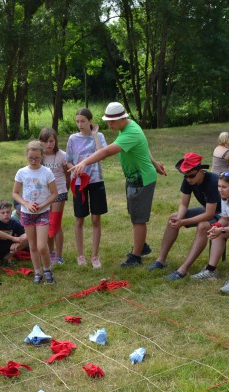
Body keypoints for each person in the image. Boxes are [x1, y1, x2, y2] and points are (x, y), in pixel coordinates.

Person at [69, 102, 166, 267]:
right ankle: (141, 246)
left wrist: (84, 162)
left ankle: (136, 256)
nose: (109, 124)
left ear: (122, 118)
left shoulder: (131, 132)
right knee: (134, 214)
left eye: (112, 121)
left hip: (141, 179)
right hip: (134, 179)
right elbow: (144, 145)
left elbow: (106, 151)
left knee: (138, 219)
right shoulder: (128, 127)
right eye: (108, 121)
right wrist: (155, 162)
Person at [147, 152, 221, 279]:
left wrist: (183, 222)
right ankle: (161, 261)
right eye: (185, 176)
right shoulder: (189, 178)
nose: (188, 179)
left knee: (203, 226)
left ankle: (182, 270)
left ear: (200, 171)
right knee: (173, 217)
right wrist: (179, 219)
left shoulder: (212, 182)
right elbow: (183, 204)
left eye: (191, 176)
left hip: (226, 214)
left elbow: (209, 214)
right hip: (210, 210)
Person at [66, 108, 108, 269]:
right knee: (79, 219)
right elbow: (68, 161)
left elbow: (102, 153)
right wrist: (75, 168)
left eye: (83, 121)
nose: (80, 124)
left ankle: (95, 256)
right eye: (77, 121)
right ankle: (80, 255)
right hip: (78, 183)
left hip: (96, 180)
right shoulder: (72, 139)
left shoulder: (99, 136)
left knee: (96, 218)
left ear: (90, 121)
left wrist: (95, 134)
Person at [12, 140, 58, 285]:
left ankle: (47, 270)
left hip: (43, 213)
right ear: (26, 155)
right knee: (32, 246)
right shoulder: (21, 172)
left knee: (42, 246)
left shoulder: (46, 172)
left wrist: (42, 205)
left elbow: (54, 193)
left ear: (42, 156)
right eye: (31, 157)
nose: (33, 160)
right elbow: (15, 193)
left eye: (37, 158)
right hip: (26, 213)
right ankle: (37, 272)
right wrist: (25, 204)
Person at [39, 127, 70, 266]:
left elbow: (67, 173)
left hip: (60, 192)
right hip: (45, 194)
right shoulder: (40, 157)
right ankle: (50, 252)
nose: (48, 145)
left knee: (55, 223)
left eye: (51, 141)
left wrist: (65, 190)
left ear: (55, 141)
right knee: (47, 223)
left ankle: (59, 255)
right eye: (45, 142)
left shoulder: (62, 155)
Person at [0, 200, 28, 269]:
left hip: (8, 249)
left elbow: (26, 234)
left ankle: (6, 259)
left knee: (27, 238)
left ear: (11, 212)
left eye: (8, 212)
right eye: (2, 213)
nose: (6, 214)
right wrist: (13, 238)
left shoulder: (13, 222)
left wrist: (17, 242)